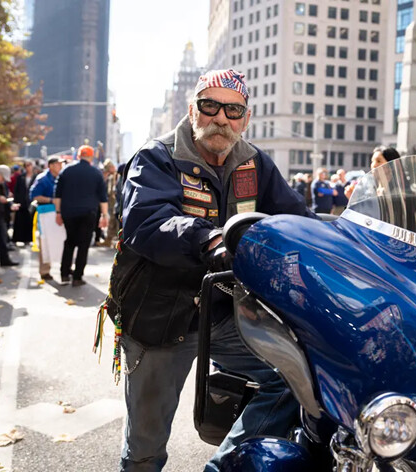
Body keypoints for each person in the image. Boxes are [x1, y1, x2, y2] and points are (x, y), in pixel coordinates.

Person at [107, 69, 315, 472]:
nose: (221, 117)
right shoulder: (157, 157)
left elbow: (295, 219)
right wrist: (209, 239)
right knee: (145, 450)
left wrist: (343, 240)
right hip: (160, 313)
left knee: (293, 378)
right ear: (192, 110)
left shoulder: (255, 163)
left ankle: (223, 467)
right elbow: (146, 222)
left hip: (224, 311)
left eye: (233, 109)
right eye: (210, 105)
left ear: (246, 118)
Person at [54, 145, 108, 286]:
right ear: (91, 156)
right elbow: (103, 197)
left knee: (70, 242)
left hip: (68, 212)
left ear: (78, 156)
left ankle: (64, 273)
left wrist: (58, 213)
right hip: (88, 213)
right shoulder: (96, 173)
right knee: (84, 245)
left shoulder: (66, 171)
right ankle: (77, 277)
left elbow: (57, 195)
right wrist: (104, 215)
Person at [30, 156, 67, 280]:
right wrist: (52, 200)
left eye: (61, 164)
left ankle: (66, 267)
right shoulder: (42, 179)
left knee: (63, 241)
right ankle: (44, 270)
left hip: (60, 212)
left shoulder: (62, 177)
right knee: (45, 242)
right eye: (58, 164)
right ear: (51, 165)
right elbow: (34, 195)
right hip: (46, 213)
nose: (60, 167)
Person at [0, 165, 20, 267]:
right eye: (2, 177)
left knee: (3, 237)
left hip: (0, 213)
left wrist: (11, 204)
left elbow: (5, 196)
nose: (3, 180)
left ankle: (5, 260)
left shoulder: (2, 184)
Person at [12, 160, 36, 244]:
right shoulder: (20, 177)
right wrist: (16, 201)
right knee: (20, 221)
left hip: (31, 202)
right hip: (21, 202)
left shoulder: (36, 177)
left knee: (30, 221)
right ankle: (18, 239)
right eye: (26, 166)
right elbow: (16, 189)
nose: (28, 167)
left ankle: (29, 239)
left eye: (29, 165)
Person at [101, 159, 119, 247]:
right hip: (111, 203)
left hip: (116, 203)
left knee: (115, 222)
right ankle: (108, 240)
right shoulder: (110, 176)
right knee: (112, 222)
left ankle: (111, 240)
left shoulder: (117, 176)